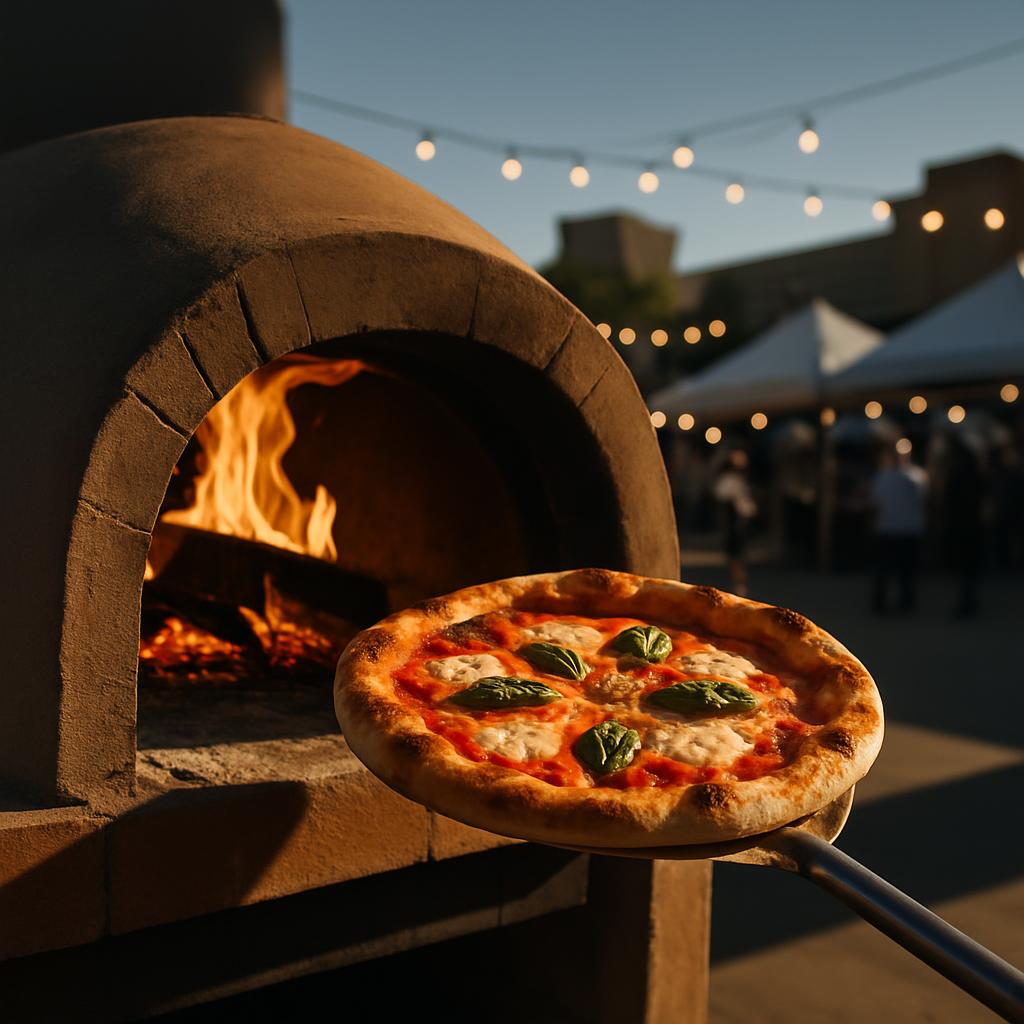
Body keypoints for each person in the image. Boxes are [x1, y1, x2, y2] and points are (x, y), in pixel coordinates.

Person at [869, 446, 928, 614]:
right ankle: (905, 603)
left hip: (889, 528)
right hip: (909, 529)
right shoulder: (917, 476)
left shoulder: (883, 477)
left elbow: (875, 502)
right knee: (906, 570)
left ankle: (880, 603)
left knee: (885, 569)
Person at [713, 450, 757, 596]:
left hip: (741, 520)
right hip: (735, 521)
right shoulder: (729, 481)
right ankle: (738, 582)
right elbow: (721, 495)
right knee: (736, 554)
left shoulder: (740, 480)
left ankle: (739, 582)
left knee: (738, 554)